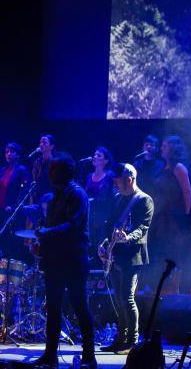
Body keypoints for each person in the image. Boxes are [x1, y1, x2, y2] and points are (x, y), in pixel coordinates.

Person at [33, 153, 96, 368]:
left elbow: (72, 226)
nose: (50, 174)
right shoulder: (56, 195)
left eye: (53, 170)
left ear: (63, 172)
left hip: (74, 259)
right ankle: (50, 356)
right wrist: (41, 233)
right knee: (53, 308)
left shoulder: (78, 194)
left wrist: (47, 232)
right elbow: (51, 222)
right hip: (55, 260)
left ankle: (89, 357)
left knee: (80, 306)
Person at [98, 164, 153, 354]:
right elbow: (109, 225)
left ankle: (132, 341)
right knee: (118, 297)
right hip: (115, 255)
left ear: (129, 180)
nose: (115, 185)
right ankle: (121, 338)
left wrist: (128, 237)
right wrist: (104, 244)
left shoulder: (144, 200)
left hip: (132, 256)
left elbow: (143, 227)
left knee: (127, 298)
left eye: (118, 182)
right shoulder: (117, 199)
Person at [151, 135, 191, 294]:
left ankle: (174, 289)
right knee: (162, 252)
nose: (161, 148)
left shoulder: (179, 167)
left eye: (165, 146)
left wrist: (185, 216)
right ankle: (163, 288)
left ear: (173, 149)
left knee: (173, 252)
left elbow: (187, 191)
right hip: (162, 217)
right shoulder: (164, 167)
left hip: (174, 217)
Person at [84, 146, 115, 262]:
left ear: (106, 161)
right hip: (89, 219)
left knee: (101, 250)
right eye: (95, 155)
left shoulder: (110, 177)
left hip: (103, 220)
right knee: (89, 249)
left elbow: (112, 199)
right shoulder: (88, 177)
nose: (95, 157)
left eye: (99, 155)